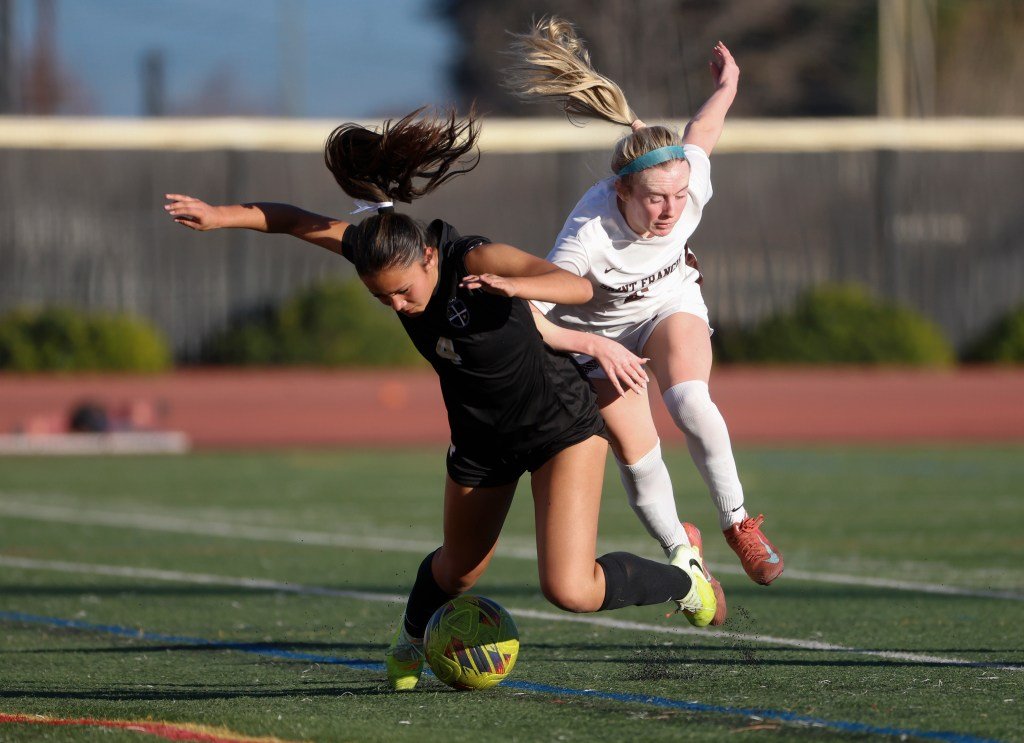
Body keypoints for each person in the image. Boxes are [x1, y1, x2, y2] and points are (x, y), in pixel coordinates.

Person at [165, 106, 724, 692]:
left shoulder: (473, 259)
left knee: (570, 590)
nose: (400, 308)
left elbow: (577, 286)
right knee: (457, 571)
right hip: (481, 441)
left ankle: (686, 580)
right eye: (384, 301)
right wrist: (218, 216)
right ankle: (410, 639)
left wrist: (516, 286)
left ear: (428, 257)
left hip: (560, 425)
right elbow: (294, 220)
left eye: (404, 293)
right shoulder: (377, 247)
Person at [505, 18, 784, 585]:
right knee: (638, 453)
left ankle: (737, 524)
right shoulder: (588, 235)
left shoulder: (684, 182)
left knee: (691, 403)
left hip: (667, 306)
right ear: (621, 191)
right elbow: (537, 311)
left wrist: (727, 87)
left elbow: (700, 134)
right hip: (601, 338)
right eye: (655, 198)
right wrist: (587, 344)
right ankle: (685, 553)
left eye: (679, 195)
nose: (670, 210)